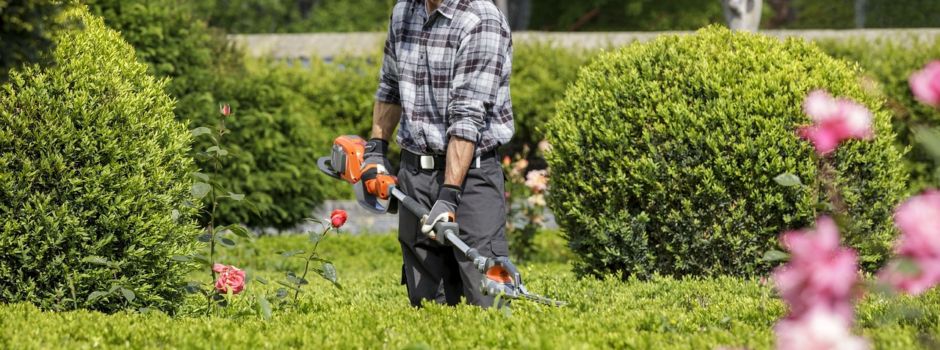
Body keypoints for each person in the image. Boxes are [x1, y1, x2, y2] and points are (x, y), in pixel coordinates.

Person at [362, 0, 514, 307]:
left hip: (471, 179)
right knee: (426, 301)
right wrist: (376, 151)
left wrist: (448, 195)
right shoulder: (405, 11)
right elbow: (389, 86)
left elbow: (468, 116)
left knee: (486, 299)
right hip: (415, 174)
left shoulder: (480, 18)